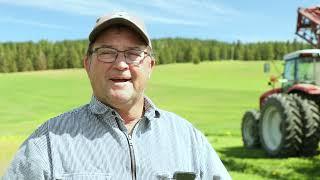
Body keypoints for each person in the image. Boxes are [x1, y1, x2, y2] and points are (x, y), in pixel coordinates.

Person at [3, 11, 231, 180]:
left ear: (150, 66)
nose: (120, 64)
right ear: (87, 64)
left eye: (133, 54)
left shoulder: (189, 140)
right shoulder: (48, 143)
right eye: (106, 53)